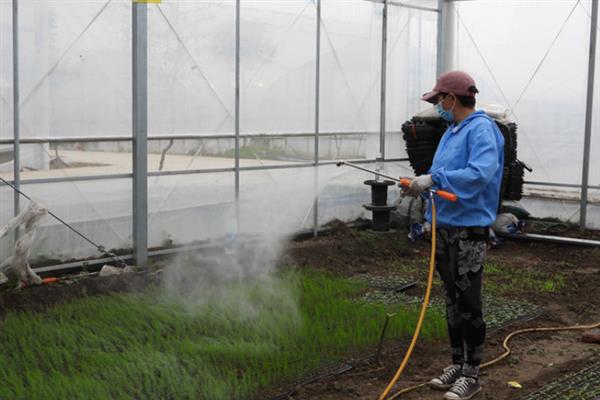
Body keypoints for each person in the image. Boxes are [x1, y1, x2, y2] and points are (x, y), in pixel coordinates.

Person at [403, 71, 505, 400]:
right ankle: (457, 364)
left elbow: (479, 174)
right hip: (444, 228)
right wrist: (421, 188)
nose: (436, 106)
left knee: (469, 302)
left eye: (438, 101)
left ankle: (472, 374)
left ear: (452, 99)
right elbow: (441, 180)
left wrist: (434, 179)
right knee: (451, 300)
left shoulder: (482, 130)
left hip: (468, 231)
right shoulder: (451, 132)